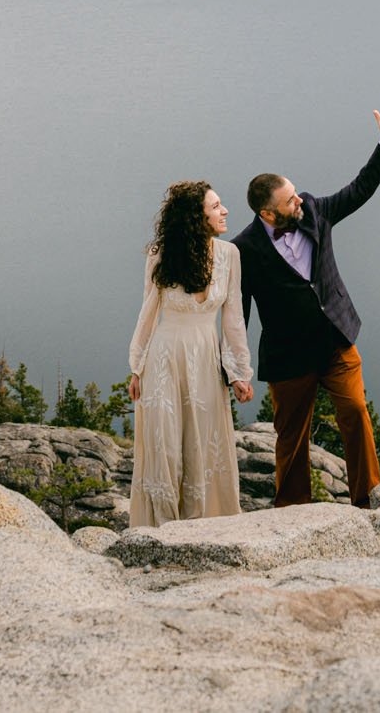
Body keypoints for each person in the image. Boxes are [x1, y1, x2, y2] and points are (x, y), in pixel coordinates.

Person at [236, 95, 380, 507]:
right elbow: (236, 314)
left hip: (336, 340)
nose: (299, 200)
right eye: (289, 200)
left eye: (295, 194)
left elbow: (359, 190)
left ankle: (369, 500)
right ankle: (293, 512)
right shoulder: (244, 250)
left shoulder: (314, 210)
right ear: (268, 213)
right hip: (289, 358)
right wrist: (235, 369)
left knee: (355, 414)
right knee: (291, 439)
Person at [127, 180, 254, 527]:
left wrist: (240, 372)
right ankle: (163, 528)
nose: (224, 211)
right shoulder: (161, 253)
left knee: (204, 440)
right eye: (215, 207)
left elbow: (233, 318)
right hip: (164, 359)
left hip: (206, 360)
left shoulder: (230, 255)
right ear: (194, 217)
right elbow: (148, 311)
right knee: (166, 444)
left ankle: (206, 524)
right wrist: (137, 367)